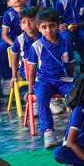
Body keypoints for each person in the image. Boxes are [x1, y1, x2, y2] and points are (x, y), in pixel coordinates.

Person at [31, 9, 75, 149]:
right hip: (44, 81)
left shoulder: (66, 43)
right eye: (44, 27)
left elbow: (71, 65)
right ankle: (48, 131)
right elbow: (32, 70)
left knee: (76, 95)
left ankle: (74, 129)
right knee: (42, 96)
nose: (48, 30)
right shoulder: (36, 46)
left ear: (58, 25)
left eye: (52, 26)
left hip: (63, 80)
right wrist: (30, 89)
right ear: (38, 28)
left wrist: (70, 79)